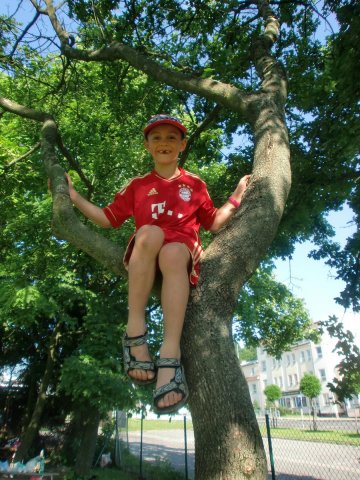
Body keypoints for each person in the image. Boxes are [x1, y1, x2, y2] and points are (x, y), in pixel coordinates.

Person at [65, 113, 250, 414]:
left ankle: (169, 356)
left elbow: (214, 222)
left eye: (172, 138)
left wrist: (238, 196)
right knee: (149, 231)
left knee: (174, 252)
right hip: (146, 247)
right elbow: (108, 218)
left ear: (182, 145)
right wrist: (73, 197)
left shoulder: (195, 184)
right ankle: (135, 331)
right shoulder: (138, 185)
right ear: (148, 146)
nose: (164, 142)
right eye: (157, 138)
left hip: (181, 250)